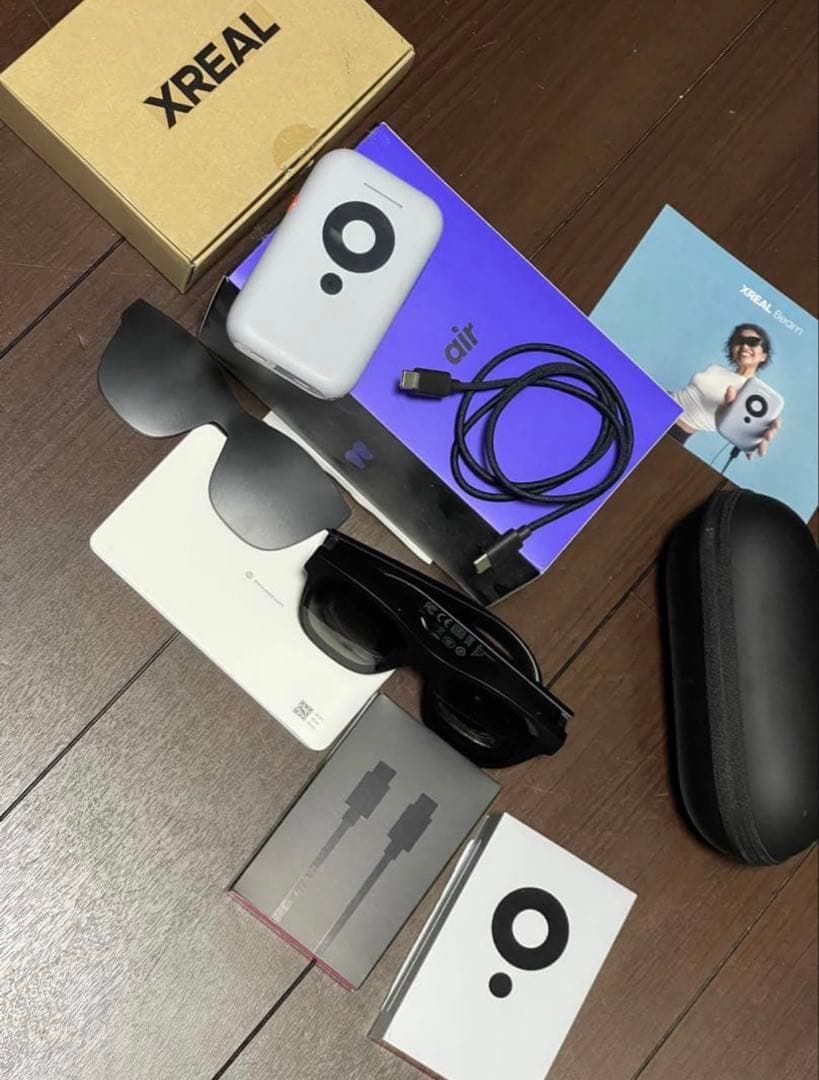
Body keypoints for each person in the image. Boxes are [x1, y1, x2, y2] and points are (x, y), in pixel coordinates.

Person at [668, 323, 781, 458]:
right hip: (657, 403)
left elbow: (754, 423)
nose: (745, 346)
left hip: (673, 431)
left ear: (763, 356)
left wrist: (755, 436)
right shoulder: (715, 368)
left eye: (753, 342)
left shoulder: (751, 392)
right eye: (739, 341)